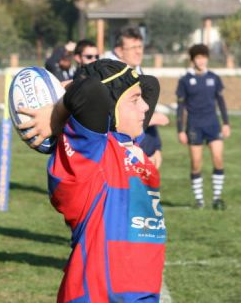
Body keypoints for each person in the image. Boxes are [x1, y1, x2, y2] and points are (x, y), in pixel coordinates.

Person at [18, 59, 166, 302]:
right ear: (111, 109)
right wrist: (59, 110)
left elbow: (150, 84)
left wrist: (69, 94)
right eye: (134, 100)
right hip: (96, 295)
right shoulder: (90, 154)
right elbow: (92, 92)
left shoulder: (125, 143)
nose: (145, 107)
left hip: (140, 293)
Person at [176, 44, 231, 210]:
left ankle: (216, 198)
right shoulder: (185, 80)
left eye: (203, 57)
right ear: (193, 60)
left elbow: (221, 102)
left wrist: (226, 123)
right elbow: (180, 107)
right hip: (194, 125)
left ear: (207, 58)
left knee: (218, 159)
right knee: (196, 163)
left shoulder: (214, 78)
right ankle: (199, 200)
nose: (201, 60)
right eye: (197, 57)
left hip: (213, 124)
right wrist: (180, 129)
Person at [106, 26, 168, 168]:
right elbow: (114, 122)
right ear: (119, 51)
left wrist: (156, 147)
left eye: (140, 46)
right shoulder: (110, 78)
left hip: (144, 152)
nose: (139, 51)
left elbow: (148, 109)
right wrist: (151, 119)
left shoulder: (137, 71)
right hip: (122, 157)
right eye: (133, 47)